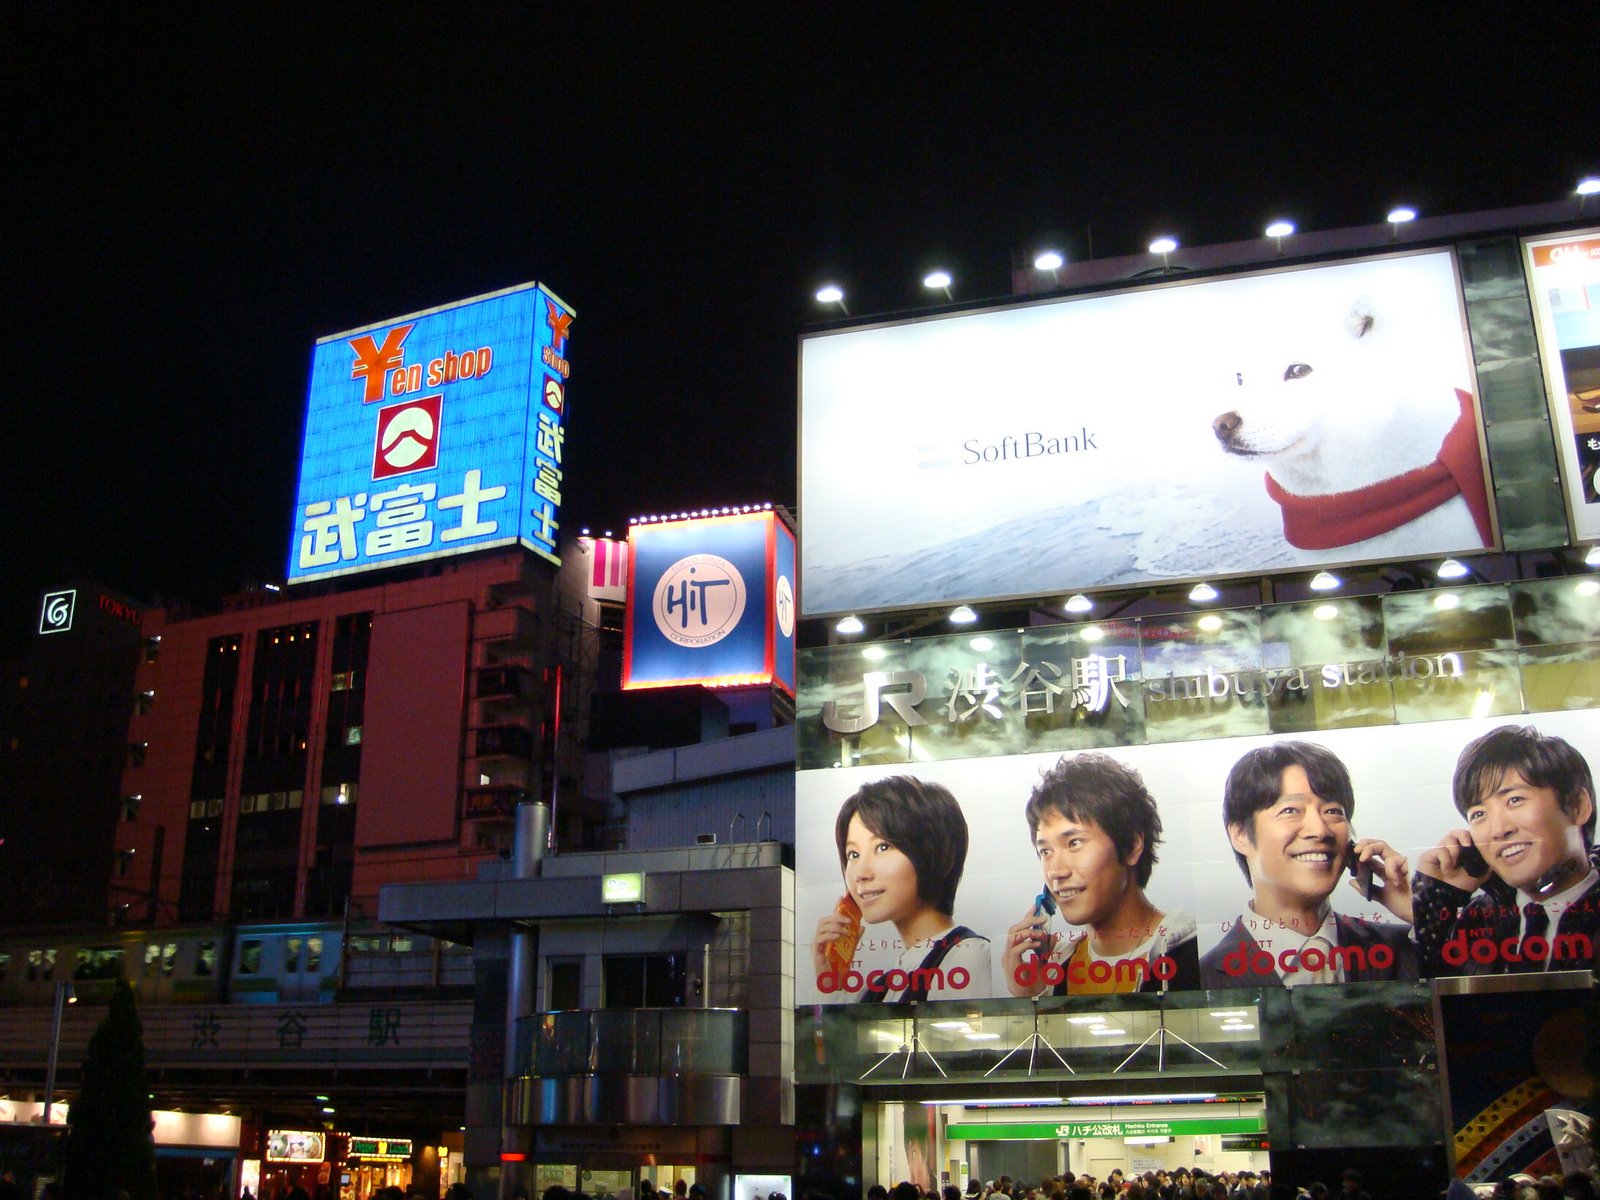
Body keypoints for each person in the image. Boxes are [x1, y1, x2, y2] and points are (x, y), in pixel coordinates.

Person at [1200, 740, 1416, 987]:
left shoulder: (1402, 948)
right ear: (1240, 834)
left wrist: (1417, 912)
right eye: (1291, 810)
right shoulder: (1201, 979)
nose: (1319, 829)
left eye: (1333, 811)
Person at [1003, 752, 1199, 995]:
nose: (1056, 871)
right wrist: (1032, 996)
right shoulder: (1060, 967)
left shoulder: (1186, 951)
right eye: (1045, 850)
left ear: (1131, 845)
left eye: (1074, 843)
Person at [1410, 725, 1600, 977]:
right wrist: (1434, 907)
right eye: (1478, 814)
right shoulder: (1477, 921)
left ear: (1577, 806)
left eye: (1515, 800)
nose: (1498, 830)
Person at [812, 775, 991, 1002]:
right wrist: (831, 982)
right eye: (853, 854)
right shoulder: (884, 986)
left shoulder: (967, 957)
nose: (861, 873)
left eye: (883, 847)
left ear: (930, 851)